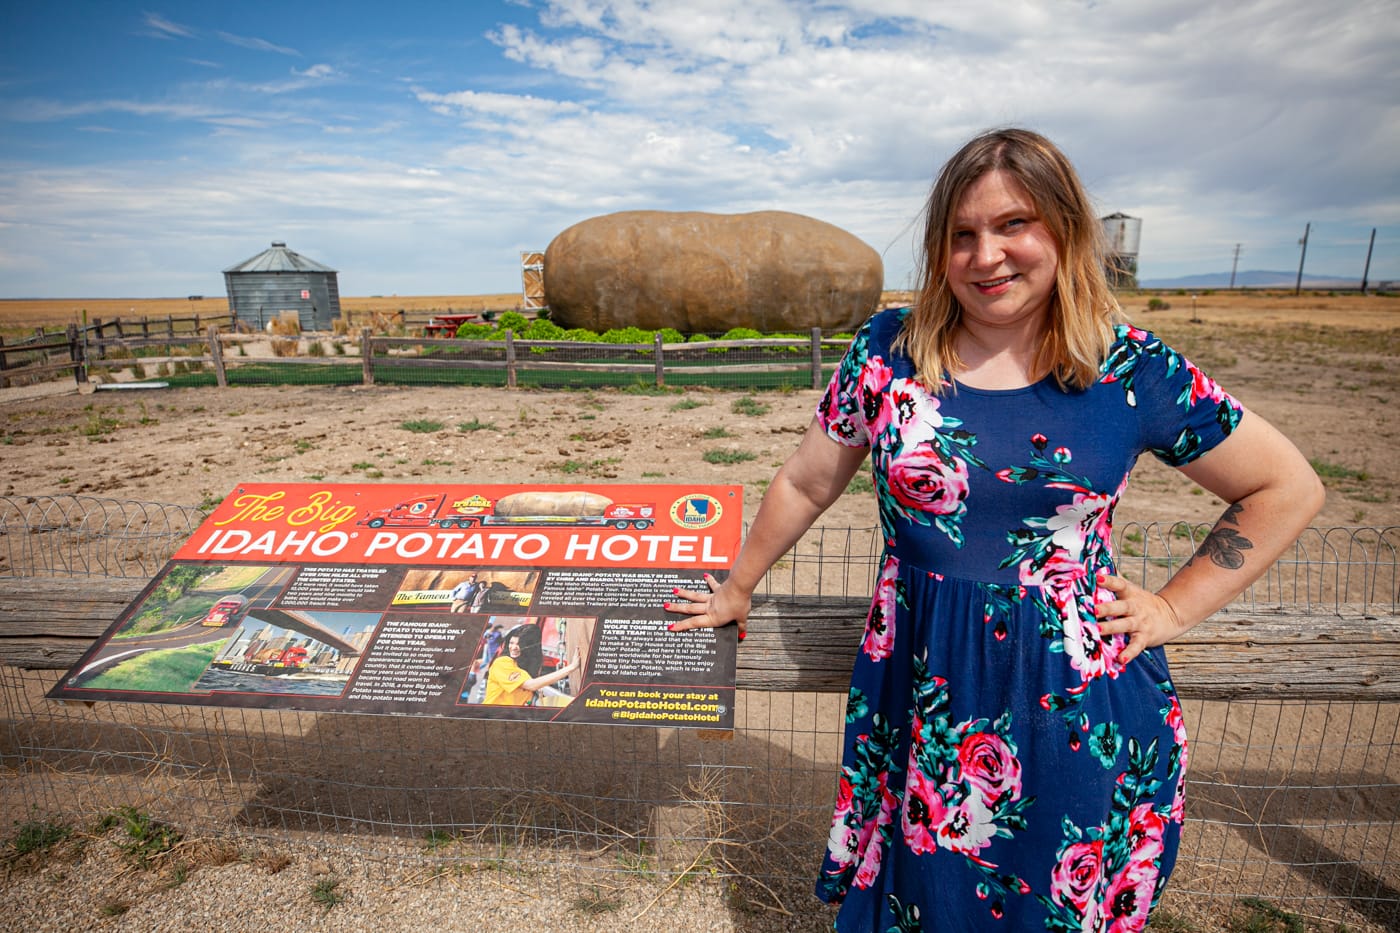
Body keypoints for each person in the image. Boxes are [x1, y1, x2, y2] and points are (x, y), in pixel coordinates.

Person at [666, 128, 1323, 931]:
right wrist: (738, 585)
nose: (988, 256)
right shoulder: (889, 351)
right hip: (922, 700)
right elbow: (807, 479)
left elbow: (1286, 486)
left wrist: (1175, 609)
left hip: (1077, 711)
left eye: (1014, 225)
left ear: (1064, 231)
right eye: (963, 235)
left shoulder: (1131, 368)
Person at [482, 623, 582, 706]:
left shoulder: (525, 666)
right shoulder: (502, 663)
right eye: (511, 643)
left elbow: (533, 689)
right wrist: (571, 667)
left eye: (519, 644)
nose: (513, 647)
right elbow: (531, 685)